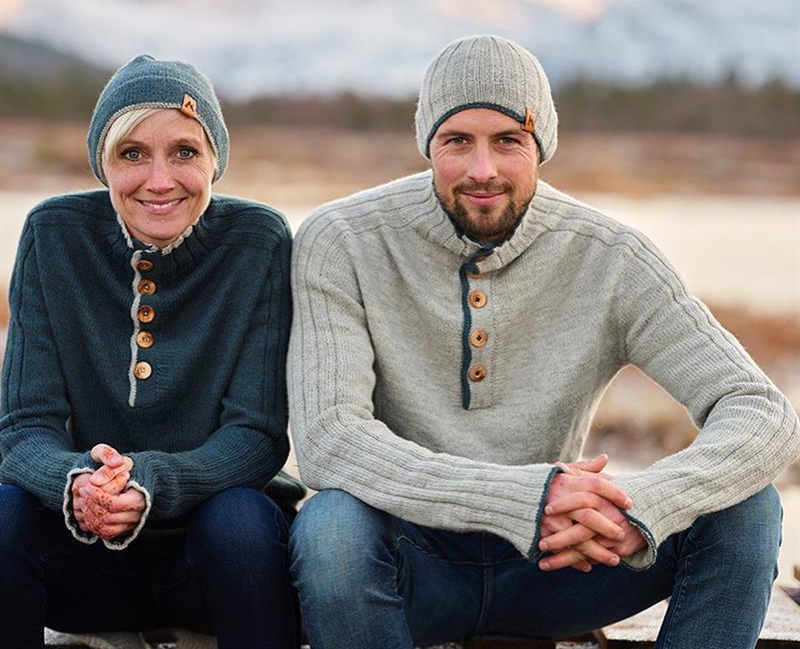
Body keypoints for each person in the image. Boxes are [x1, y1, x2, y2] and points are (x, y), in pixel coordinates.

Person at [287, 35, 800, 648]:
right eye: (458, 141)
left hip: (564, 565)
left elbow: (761, 410)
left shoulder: (613, 257)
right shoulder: (341, 239)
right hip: (409, 563)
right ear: (428, 144)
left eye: (509, 140)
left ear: (542, 146)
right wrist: (525, 496)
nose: (484, 170)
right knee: (331, 526)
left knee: (748, 507)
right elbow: (329, 438)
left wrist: (644, 505)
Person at [0, 55, 302, 649]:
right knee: (2, 513)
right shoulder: (53, 233)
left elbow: (257, 434)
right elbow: (21, 428)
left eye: (185, 152)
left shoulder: (258, 241)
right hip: (82, 560)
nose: (159, 180)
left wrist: (149, 485)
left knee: (241, 519)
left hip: (212, 564)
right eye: (132, 154)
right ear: (103, 163)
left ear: (216, 158)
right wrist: (79, 484)